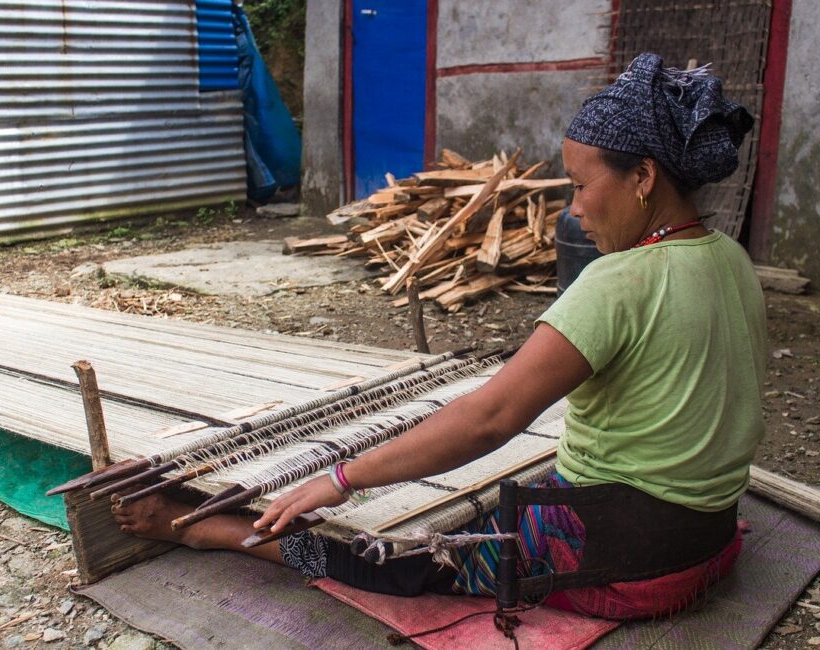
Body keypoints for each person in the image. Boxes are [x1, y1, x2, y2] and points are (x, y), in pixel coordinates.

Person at [113, 52, 765, 620]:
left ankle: (216, 533)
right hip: (704, 550)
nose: (572, 209)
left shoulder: (619, 282)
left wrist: (342, 477)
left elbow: (488, 419)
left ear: (644, 179)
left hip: (617, 567)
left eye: (581, 186)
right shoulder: (729, 259)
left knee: (394, 557)